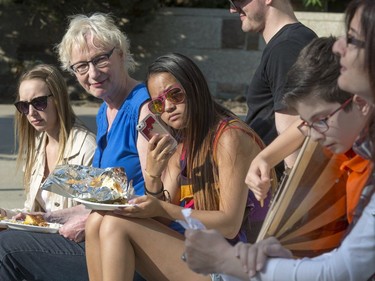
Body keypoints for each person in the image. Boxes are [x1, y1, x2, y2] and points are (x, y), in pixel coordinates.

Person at [184, 1, 375, 280]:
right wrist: (288, 251)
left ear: (362, 104)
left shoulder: (287, 46)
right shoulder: (356, 139)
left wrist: (228, 261)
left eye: (354, 39)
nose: (338, 46)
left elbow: (345, 271)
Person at [84, 52, 274, 281]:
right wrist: (153, 176)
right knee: (96, 219)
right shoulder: (182, 143)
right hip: (202, 254)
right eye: (158, 103)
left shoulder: (229, 137)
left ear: (195, 87)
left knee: (116, 225)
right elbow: (162, 221)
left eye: (175, 94)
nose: (168, 107)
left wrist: (162, 208)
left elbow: (230, 225)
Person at [0, 13, 150, 281]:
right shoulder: (106, 111)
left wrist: (89, 219)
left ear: (122, 53)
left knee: (5, 250)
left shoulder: (144, 108)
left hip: (135, 251)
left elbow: (159, 194)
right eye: (81, 66)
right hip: (105, 240)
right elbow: (103, 198)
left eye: (100, 59)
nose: (92, 73)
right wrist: (44, 218)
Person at [246, 36, 372, 224]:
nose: (312, 135)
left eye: (320, 121)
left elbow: (354, 253)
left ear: (360, 102)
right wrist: (264, 158)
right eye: (307, 123)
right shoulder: (344, 130)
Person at [228, 0, 317, 178]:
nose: (232, 9)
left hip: (274, 186)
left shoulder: (285, 47)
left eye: (238, 0)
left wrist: (289, 196)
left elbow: (294, 131)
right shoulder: (296, 39)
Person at [0, 63, 96, 221]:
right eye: (23, 106)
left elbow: (93, 211)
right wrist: (5, 215)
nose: (31, 113)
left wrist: (46, 219)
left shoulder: (85, 147)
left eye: (39, 102)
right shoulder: (39, 144)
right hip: (47, 235)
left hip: (73, 239)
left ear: (58, 99)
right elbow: (34, 213)